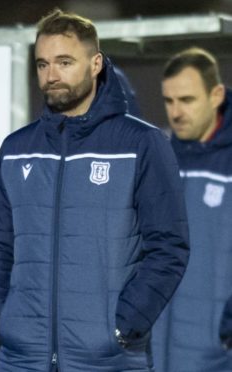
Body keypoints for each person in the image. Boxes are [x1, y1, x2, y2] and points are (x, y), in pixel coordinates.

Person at [0, 9, 190, 371]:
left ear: (95, 64)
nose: (52, 75)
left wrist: (122, 328)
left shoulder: (141, 143)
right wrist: (2, 317)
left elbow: (169, 248)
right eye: (43, 64)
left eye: (64, 62)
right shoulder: (16, 149)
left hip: (108, 359)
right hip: (21, 358)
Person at [152, 47, 232, 372]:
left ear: (215, 95)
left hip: (217, 356)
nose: (176, 112)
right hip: (156, 354)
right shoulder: (158, 158)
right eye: (169, 101)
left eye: (187, 100)